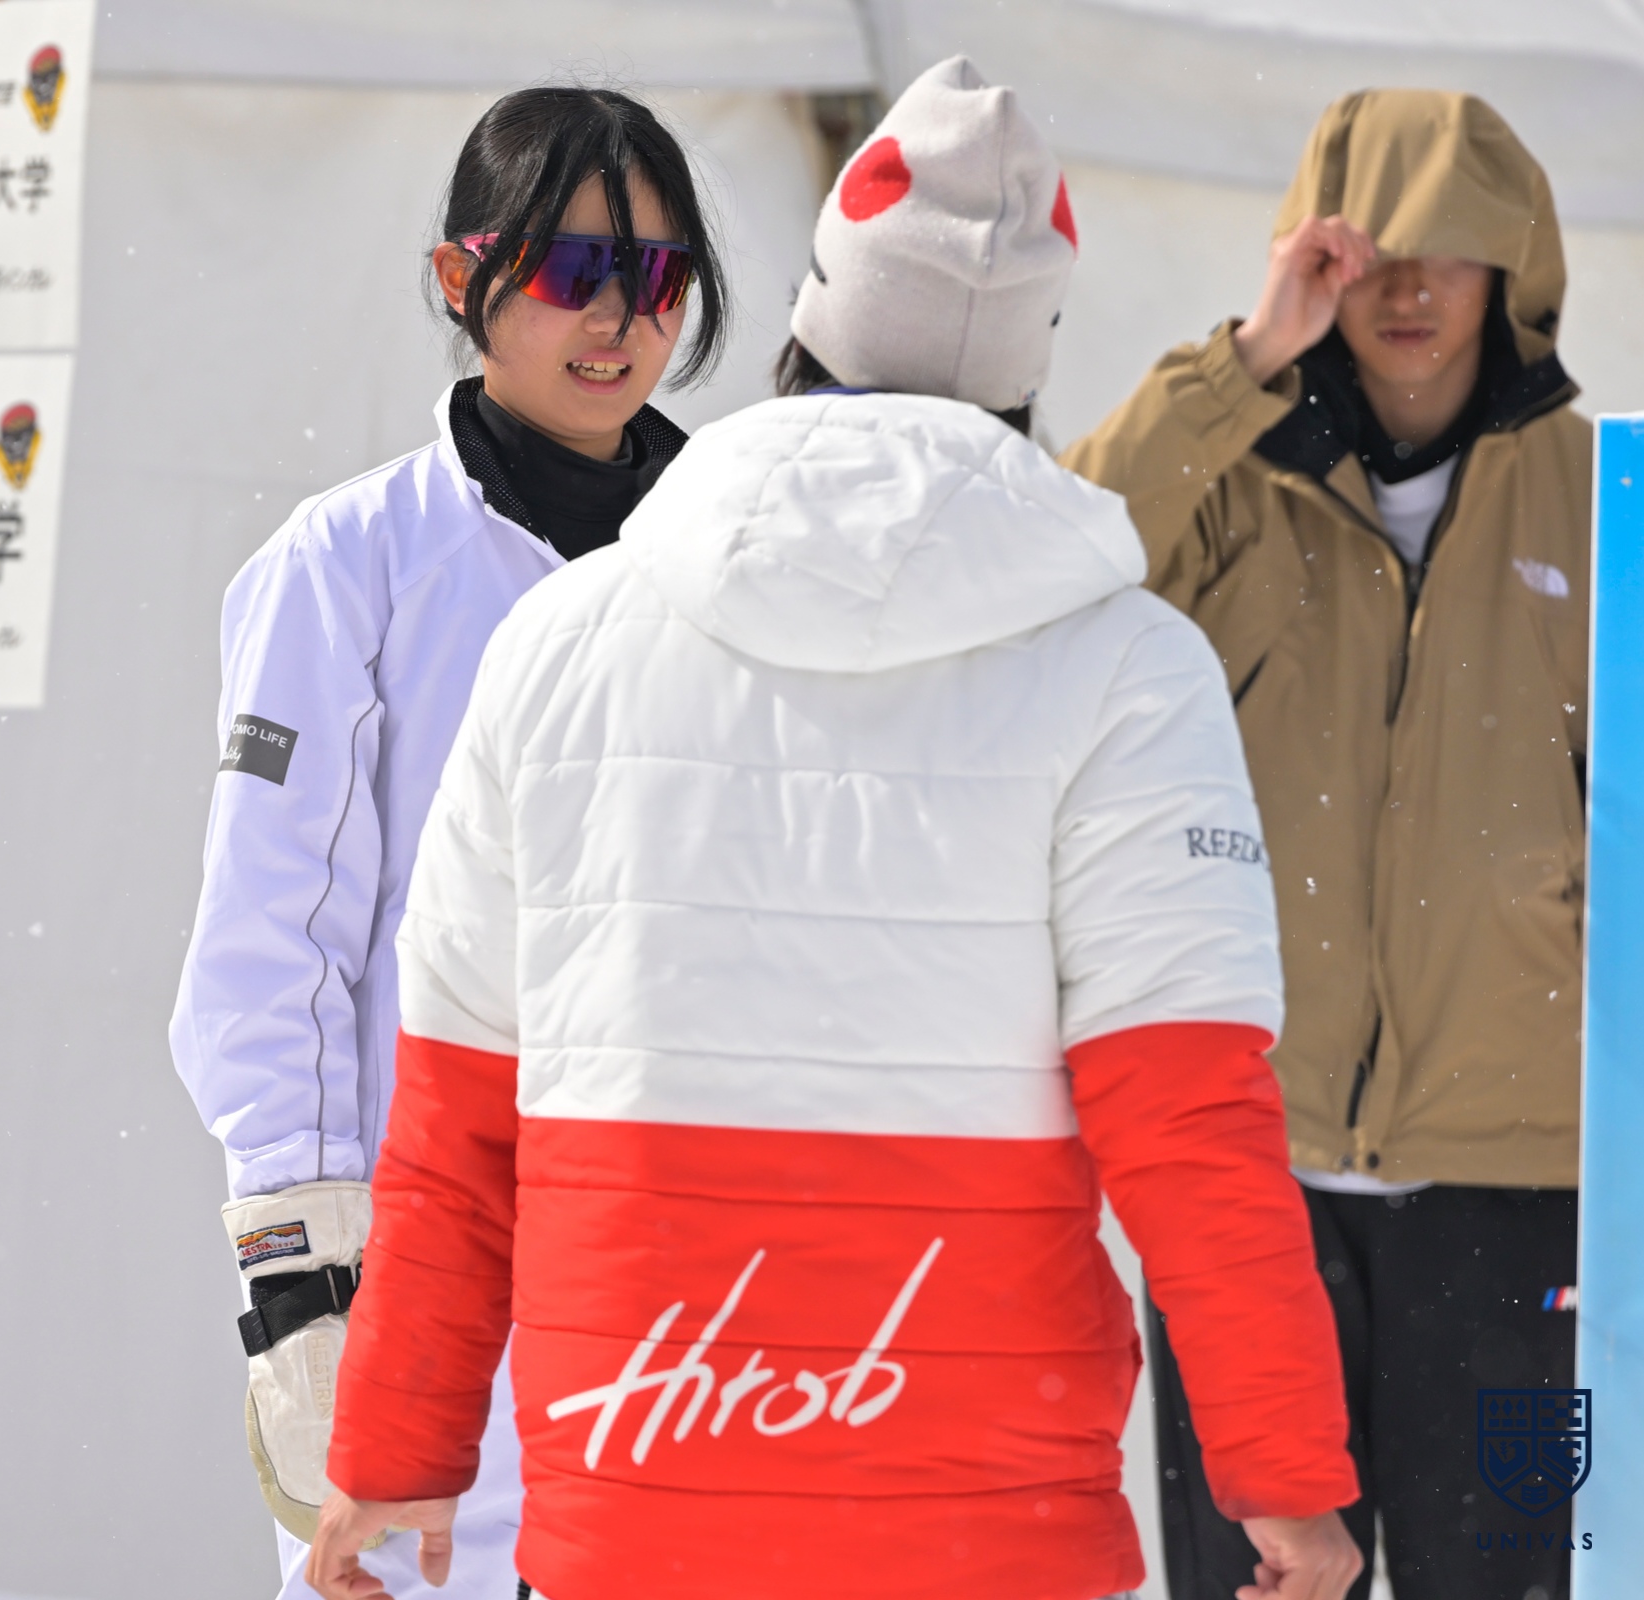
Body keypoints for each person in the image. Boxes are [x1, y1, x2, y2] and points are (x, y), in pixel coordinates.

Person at [306, 57, 1362, 1600]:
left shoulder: (564, 639)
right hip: (983, 1520)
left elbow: (456, 1127)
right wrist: (1284, 1477)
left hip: (642, 1484)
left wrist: (396, 1448)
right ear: (1029, 359)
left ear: (806, 323)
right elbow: (1191, 1126)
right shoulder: (1129, 672)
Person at [168, 86, 731, 1600]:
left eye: (657, 274)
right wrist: (301, 1272)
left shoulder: (734, 556)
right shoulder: (351, 564)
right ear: (458, 278)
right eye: (571, 269)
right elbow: (267, 937)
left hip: (678, 1263)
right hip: (427, 1269)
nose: (617, 318)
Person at [1061, 90, 1587, 1600]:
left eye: (1449, 251)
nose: (1407, 290)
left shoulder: (1599, 498)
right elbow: (1056, 556)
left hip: (1517, 1181)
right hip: (1247, 1172)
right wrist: (1243, 363)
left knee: (1518, 1579)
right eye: (1367, 255)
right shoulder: (1226, 476)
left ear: (1512, 268)